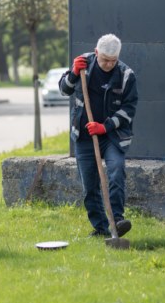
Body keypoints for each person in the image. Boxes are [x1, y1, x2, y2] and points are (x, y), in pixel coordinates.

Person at [59, 34, 138, 238]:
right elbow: (64, 90)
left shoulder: (126, 75)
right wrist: (73, 74)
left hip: (113, 137)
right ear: (96, 53)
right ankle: (101, 228)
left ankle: (117, 221)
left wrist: (105, 127)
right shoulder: (83, 65)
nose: (109, 64)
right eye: (105, 60)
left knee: (116, 170)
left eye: (113, 60)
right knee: (89, 185)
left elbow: (129, 109)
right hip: (84, 136)